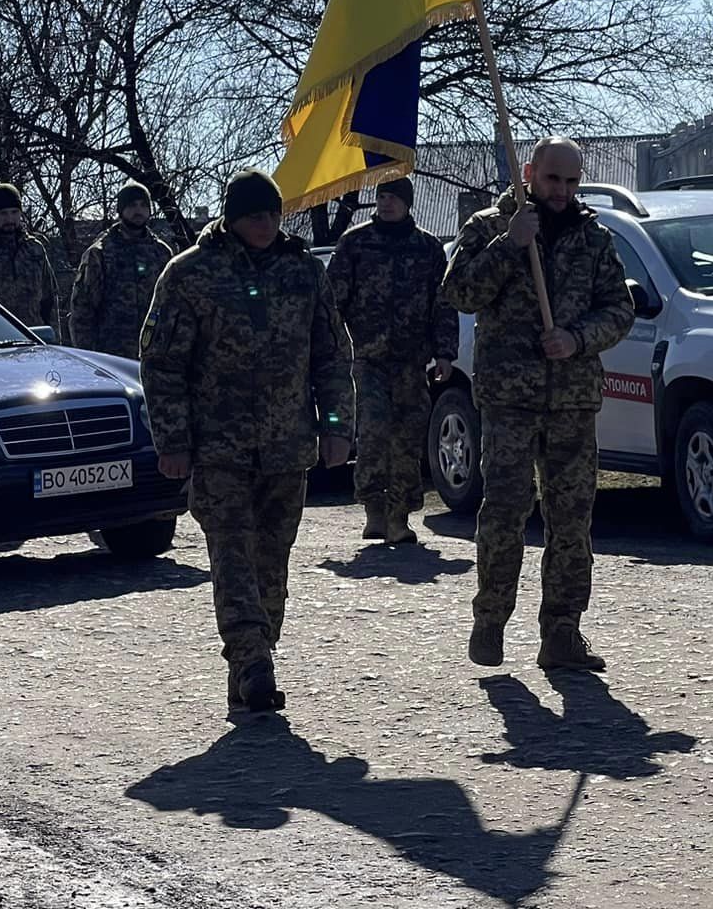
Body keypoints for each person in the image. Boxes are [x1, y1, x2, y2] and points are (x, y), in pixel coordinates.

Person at [139, 170, 354, 717]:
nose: (265, 225)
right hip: (218, 448)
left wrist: (335, 426)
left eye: (273, 215)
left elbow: (331, 355)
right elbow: (162, 364)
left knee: (272, 561)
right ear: (232, 217)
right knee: (232, 553)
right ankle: (253, 660)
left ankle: (253, 656)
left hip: (287, 446)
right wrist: (173, 440)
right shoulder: (190, 274)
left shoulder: (303, 272)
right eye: (255, 215)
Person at [443, 138, 634, 673]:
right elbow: (458, 292)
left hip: (572, 398)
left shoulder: (593, 237)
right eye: (553, 180)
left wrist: (577, 338)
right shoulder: (488, 227)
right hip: (510, 399)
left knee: (571, 519)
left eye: (572, 182)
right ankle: (491, 619)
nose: (563, 192)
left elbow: (618, 308)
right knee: (505, 511)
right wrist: (508, 245)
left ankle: (562, 630)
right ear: (530, 174)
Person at [325, 174, 459, 545]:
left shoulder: (428, 249)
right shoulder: (355, 243)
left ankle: (400, 515)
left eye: (393, 198)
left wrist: (445, 352)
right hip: (366, 358)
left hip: (412, 360)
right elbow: (332, 301)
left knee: (407, 436)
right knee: (373, 431)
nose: (386, 203)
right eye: (381, 196)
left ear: (407, 203)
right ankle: (375, 510)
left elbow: (442, 304)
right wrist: (333, 348)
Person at [70, 182, 174, 358]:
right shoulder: (100, 253)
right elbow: (82, 311)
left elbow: (172, 306)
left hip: (154, 353)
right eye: (132, 205)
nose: (138, 211)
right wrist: (88, 357)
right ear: (121, 210)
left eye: (143, 205)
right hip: (111, 355)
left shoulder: (162, 253)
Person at [0, 183, 59, 332]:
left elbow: (49, 299)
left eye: (14, 212)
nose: (10, 219)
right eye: (3, 213)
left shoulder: (35, 249)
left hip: (36, 340)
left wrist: (54, 340)